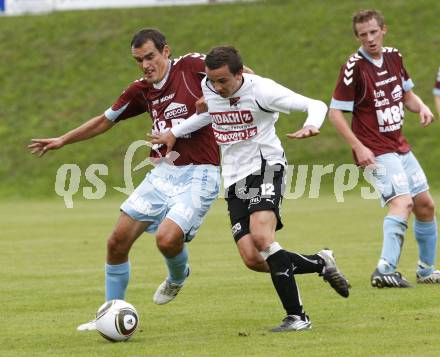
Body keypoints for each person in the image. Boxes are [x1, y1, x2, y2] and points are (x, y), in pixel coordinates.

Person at [28, 28, 223, 330]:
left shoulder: (193, 66)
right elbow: (105, 120)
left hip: (201, 172)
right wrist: (62, 140)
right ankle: (109, 311)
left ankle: (177, 276)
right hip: (164, 173)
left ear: (165, 51)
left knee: (166, 239)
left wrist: (219, 96)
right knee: (117, 241)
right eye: (139, 60)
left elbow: (240, 73)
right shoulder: (141, 90)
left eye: (150, 57)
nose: (146, 65)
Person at [150, 46, 350, 332]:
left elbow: (315, 104)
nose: (216, 87)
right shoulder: (210, 86)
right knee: (253, 259)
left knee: (261, 236)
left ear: (240, 73)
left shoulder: (262, 91)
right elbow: (210, 115)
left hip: (266, 166)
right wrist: (174, 132)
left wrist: (311, 125)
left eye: (223, 81)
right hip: (233, 179)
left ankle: (297, 317)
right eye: (212, 80)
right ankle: (321, 262)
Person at [328, 9, 439, 288]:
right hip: (375, 150)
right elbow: (335, 114)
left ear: (383, 30)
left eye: (373, 32)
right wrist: (359, 147)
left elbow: (407, 96)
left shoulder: (394, 56)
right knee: (403, 203)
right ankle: (384, 269)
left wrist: (422, 106)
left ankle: (426, 270)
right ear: (357, 36)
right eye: (363, 34)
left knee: (426, 206)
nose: (370, 39)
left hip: (399, 146)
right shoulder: (353, 67)